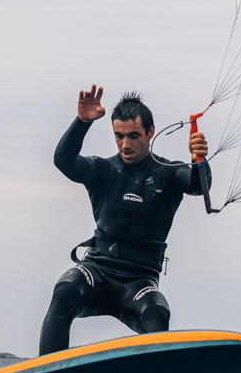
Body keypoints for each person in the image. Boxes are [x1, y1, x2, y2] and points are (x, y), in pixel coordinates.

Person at [38, 85, 209, 355]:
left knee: (157, 313)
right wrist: (82, 123)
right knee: (65, 290)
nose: (125, 145)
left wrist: (199, 160)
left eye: (133, 136)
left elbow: (199, 185)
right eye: (118, 136)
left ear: (150, 132)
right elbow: (63, 161)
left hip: (139, 281)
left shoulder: (169, 172)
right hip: (97, 271)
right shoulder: (102, 169)